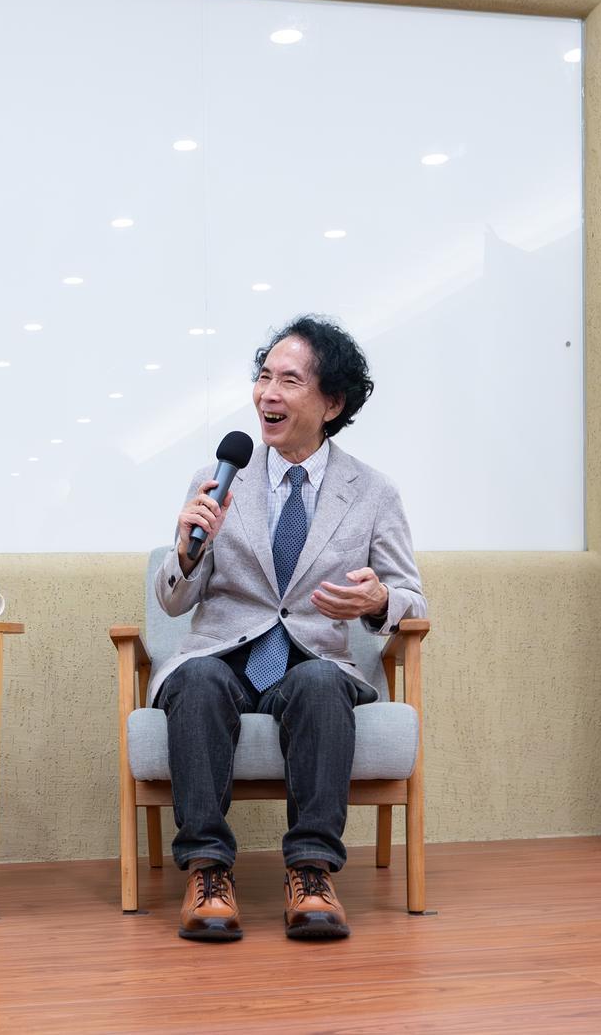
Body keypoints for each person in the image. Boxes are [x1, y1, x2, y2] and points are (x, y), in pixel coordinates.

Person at [149, 315, 427, 942]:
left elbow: (410, 595)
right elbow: (172, 601)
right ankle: (207, 872)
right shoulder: (220, 480)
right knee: (194, 682)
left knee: (323, 688)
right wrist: (190, 550)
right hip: (222, 654)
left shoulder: (373, 492)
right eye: (263, 377)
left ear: (332, 402)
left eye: (290, 381)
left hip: (311, 658)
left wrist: (380, 600)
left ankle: (311, 871)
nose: (268, 394)